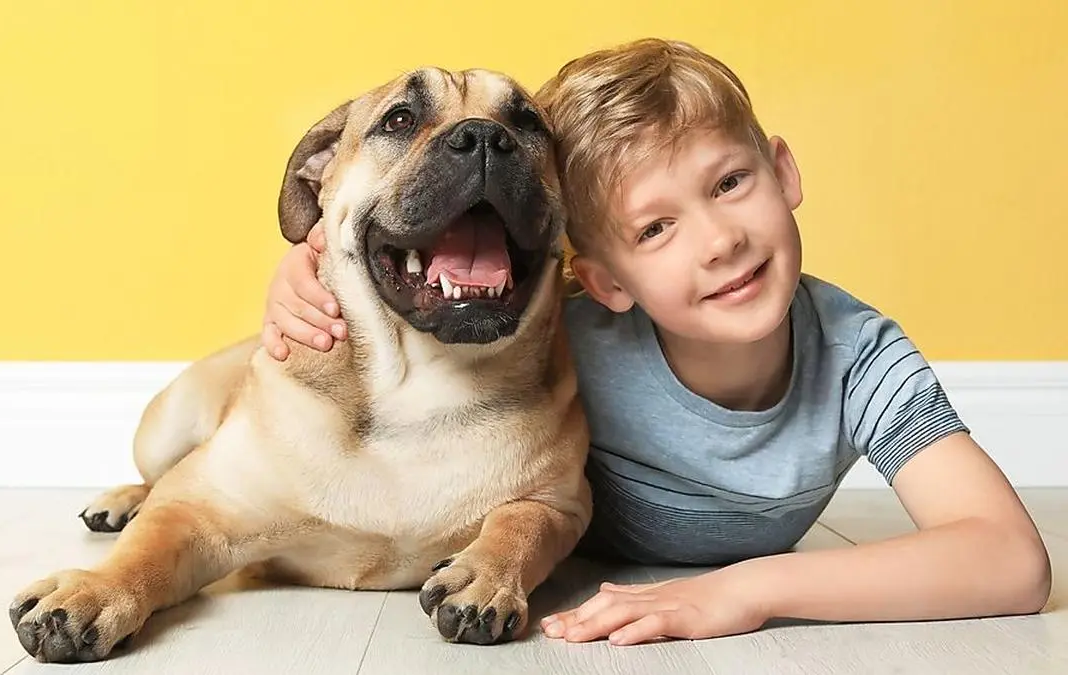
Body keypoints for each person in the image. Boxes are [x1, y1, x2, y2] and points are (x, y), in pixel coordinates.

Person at [259, 38, 1051, 646]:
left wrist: (750, 589)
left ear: (783, 171)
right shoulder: (565, 330)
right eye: (656, 227)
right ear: (604, 280)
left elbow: (1011, 560)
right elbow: (414, 292)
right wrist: (306, 275)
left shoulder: (861, 360)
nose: (717, 241)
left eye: (729, 183)